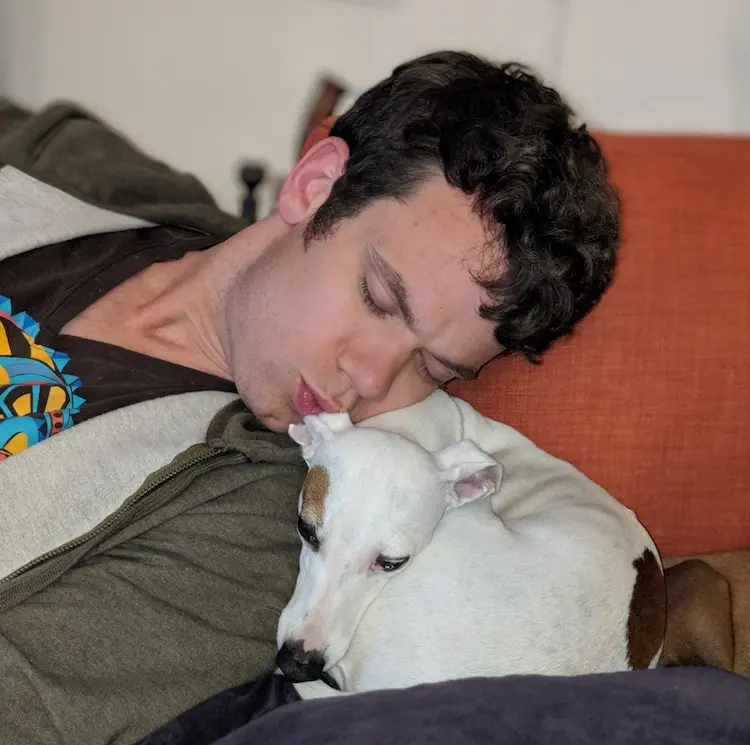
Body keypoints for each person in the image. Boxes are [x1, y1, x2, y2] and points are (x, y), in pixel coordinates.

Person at [0, 51, 618, 744]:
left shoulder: (251, 529)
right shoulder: (86, 172)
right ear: (315, 184)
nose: (373, 379)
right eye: (379, 297)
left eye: (433, 367)